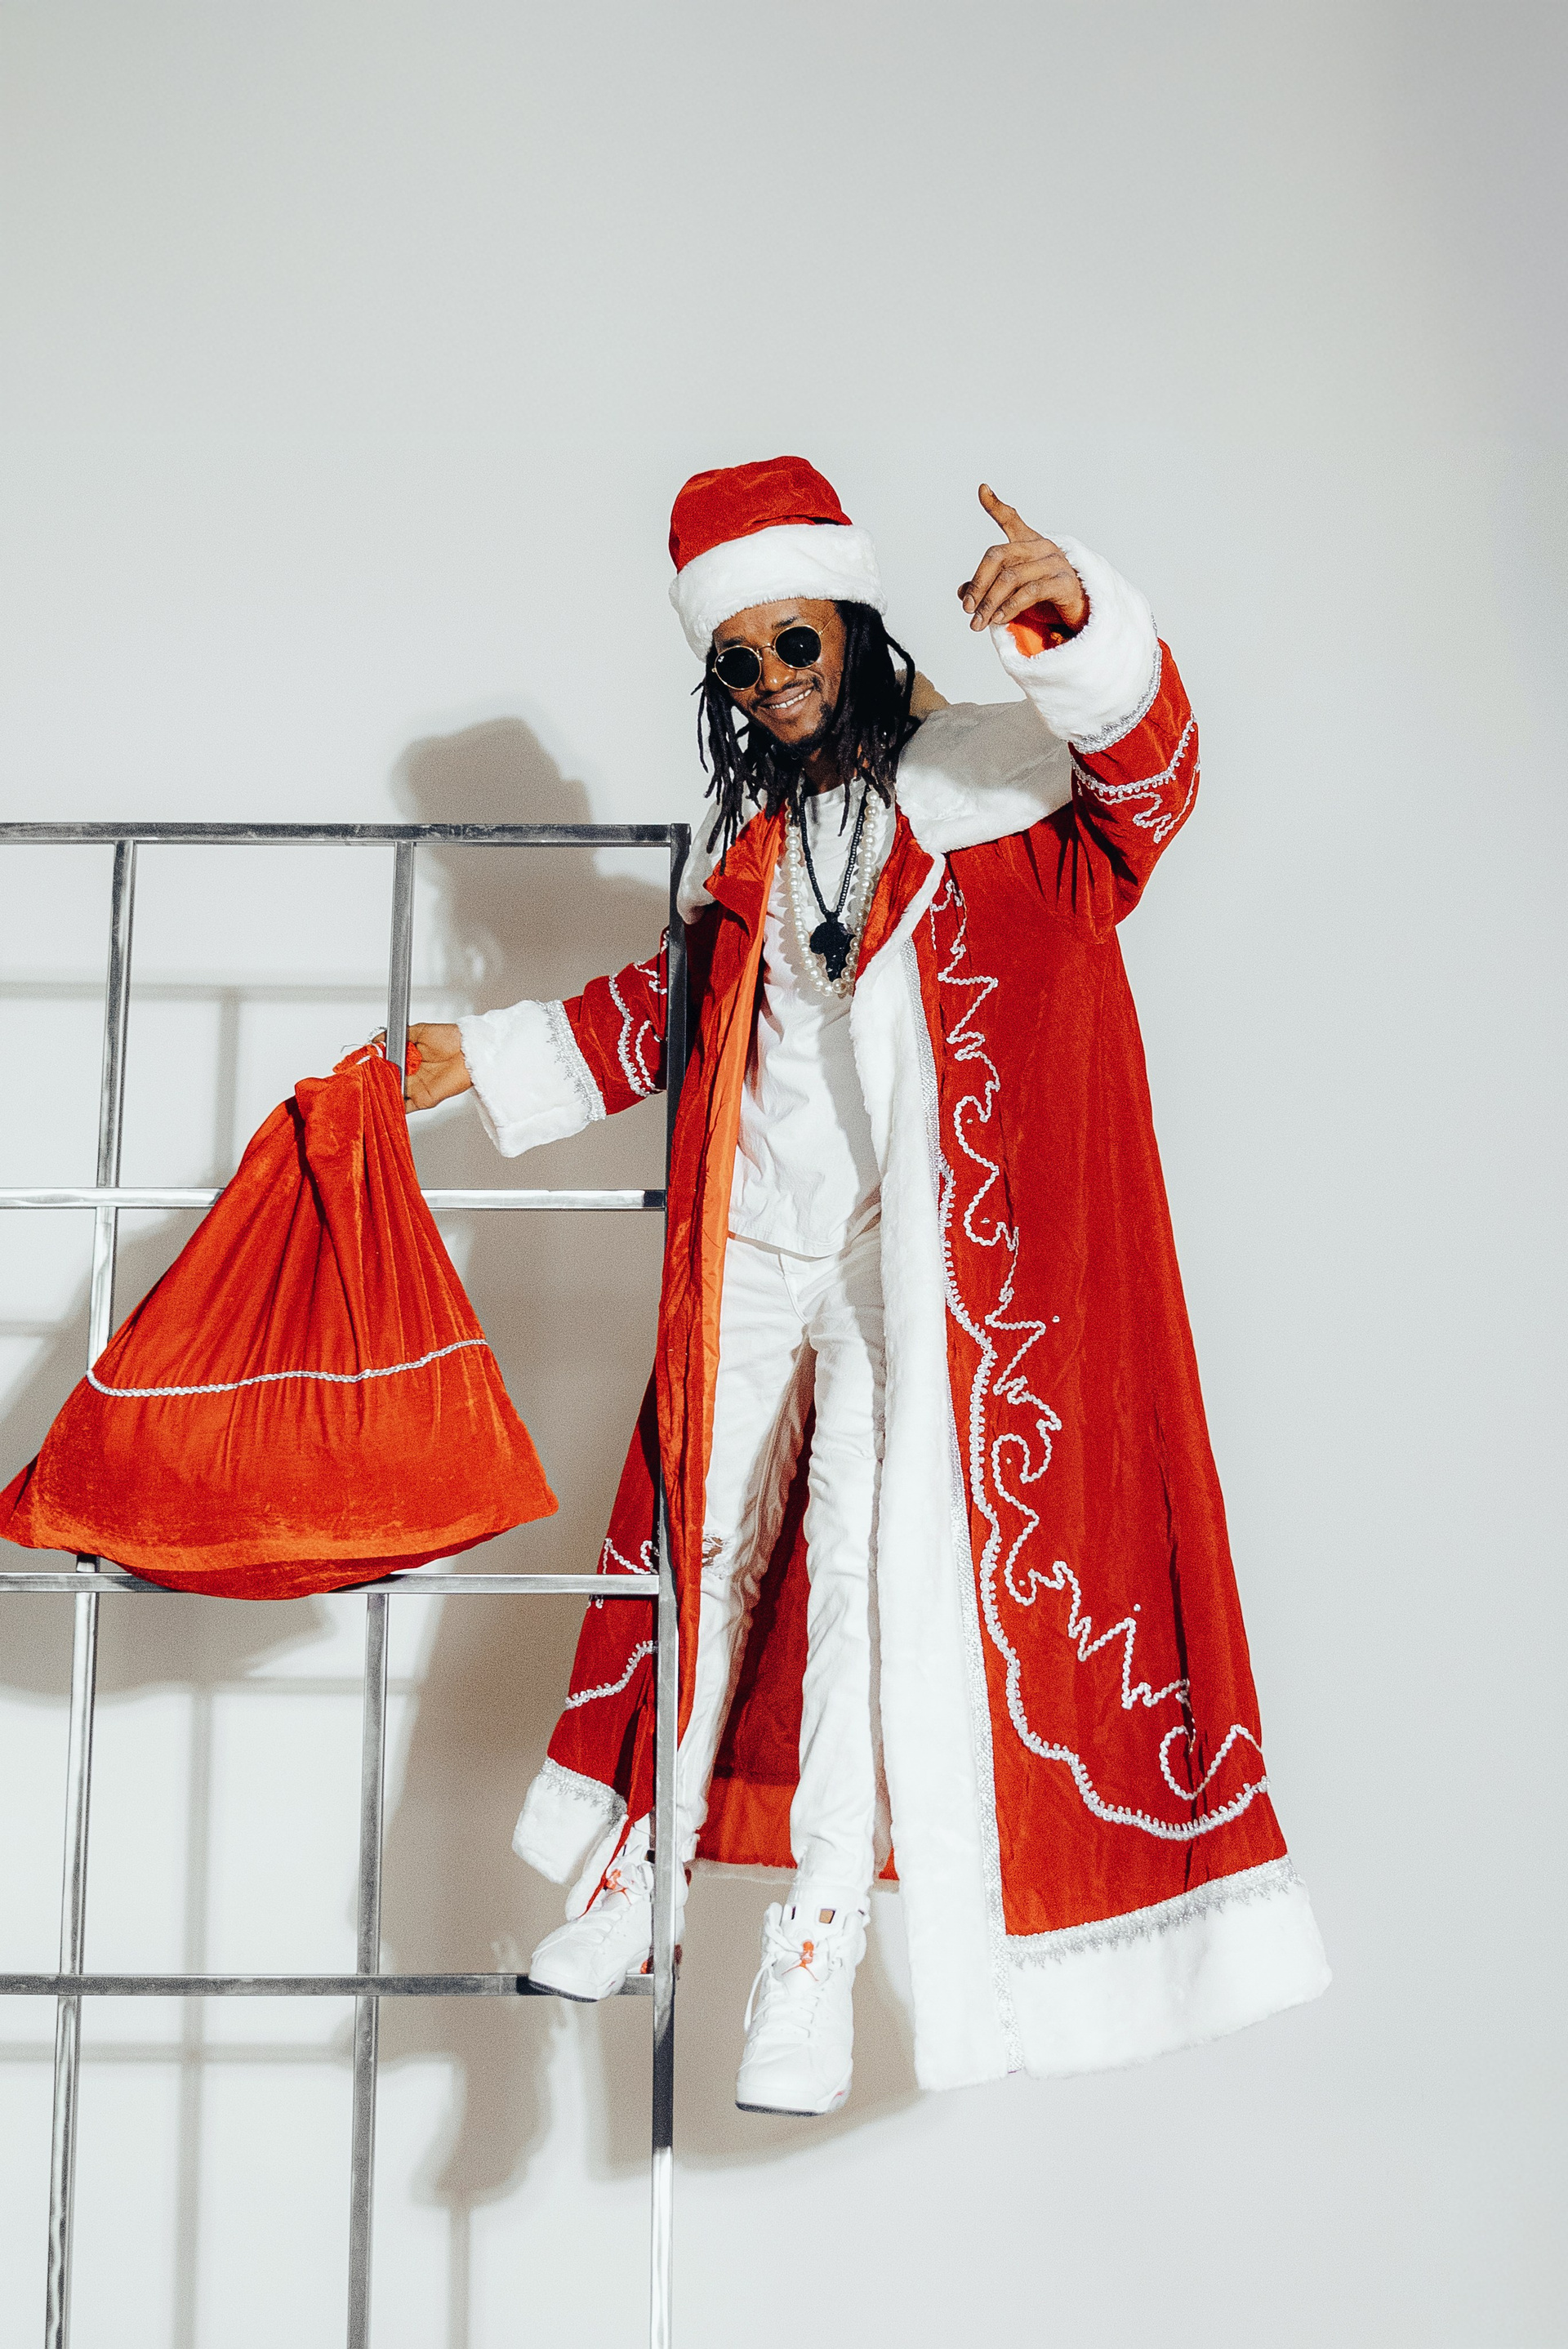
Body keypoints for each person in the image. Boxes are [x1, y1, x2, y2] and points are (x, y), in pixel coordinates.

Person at [403, 457, 1330, 2116]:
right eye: (739, 659)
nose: (772, 678)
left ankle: (817, 1946)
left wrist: (1080, 625)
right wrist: (497, 1055)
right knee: (692, 1555)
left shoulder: (991, 785)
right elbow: (683, 1005)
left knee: (853, 1596)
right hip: (752, 1250)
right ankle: (639, 1867)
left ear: (850, 622)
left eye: (794, 642)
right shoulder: (753, 840)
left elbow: (1152, 787)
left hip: (904, 1269)